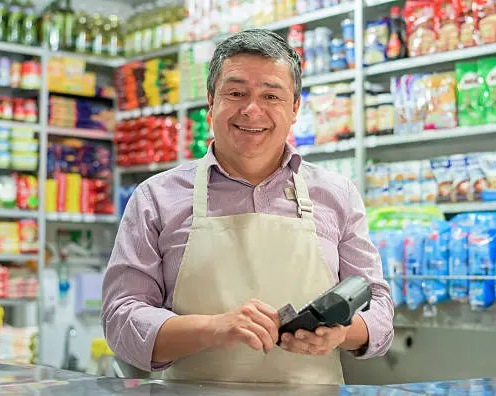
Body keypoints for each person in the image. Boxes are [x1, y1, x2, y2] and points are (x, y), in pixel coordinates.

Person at [101, 29, 394, 385]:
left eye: (271, 95)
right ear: (211, 102)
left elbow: (377, 305)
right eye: (236, 93)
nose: (252, 110)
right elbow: (121, 320)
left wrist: (342, 333)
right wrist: (211, 328)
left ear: (294, 108)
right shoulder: (156, 198)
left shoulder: (337, 195)